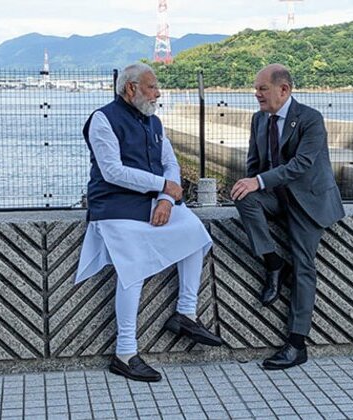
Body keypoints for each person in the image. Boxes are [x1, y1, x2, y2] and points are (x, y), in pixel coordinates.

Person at [75, 62, 222, 382]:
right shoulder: (102, 120)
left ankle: (185, 314)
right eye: (152, 87)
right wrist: (162, 188)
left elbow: (170, 163)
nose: (158, 93)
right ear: (131, 89)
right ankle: (124, 353)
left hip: (154, 202)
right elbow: (112, 171)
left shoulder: (154, 121)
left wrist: (168, 199)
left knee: (194, 232)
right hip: (113, 207)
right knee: (133, 264)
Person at [230, 63, 345, 370]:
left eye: (262, 89)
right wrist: (251, 183)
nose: (256, 95)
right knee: (245, 198)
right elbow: (254, 163)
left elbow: (301, 165)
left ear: (284, 90)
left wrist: (260, 181)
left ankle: (297, 344)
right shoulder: (258, 119)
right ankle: (273, 263)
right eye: (255, 89)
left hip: (309, 201)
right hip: (277, 197)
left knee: (304, 264)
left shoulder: (310, 119)